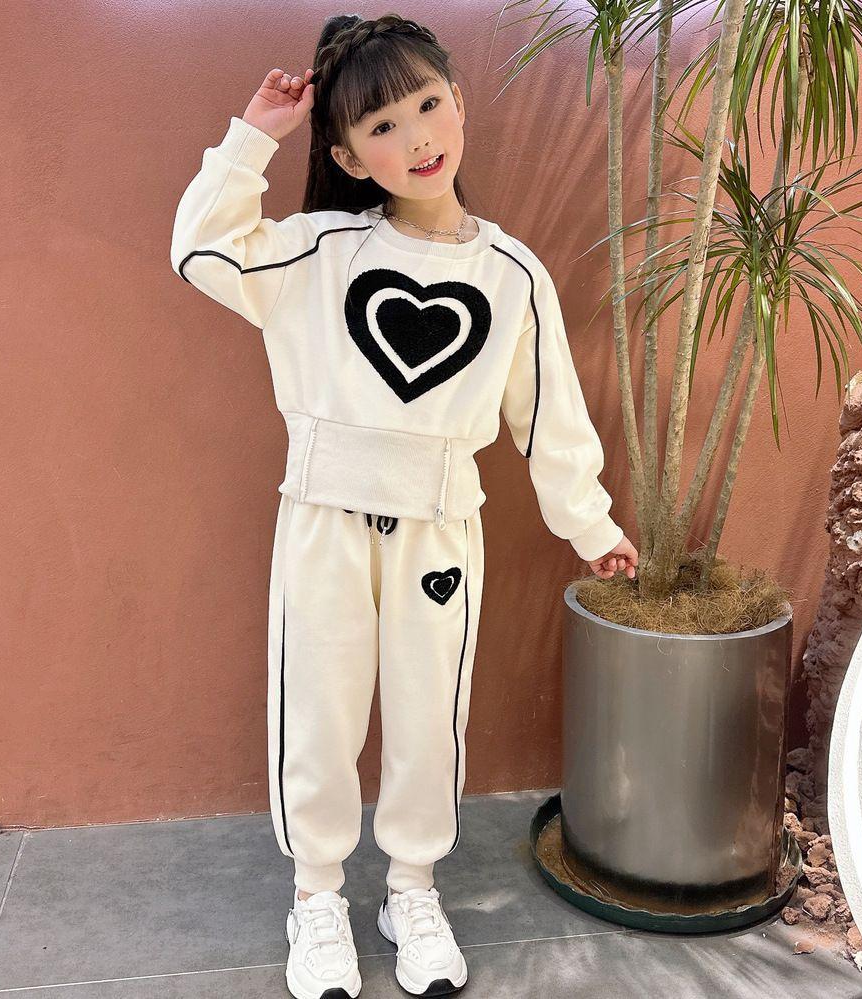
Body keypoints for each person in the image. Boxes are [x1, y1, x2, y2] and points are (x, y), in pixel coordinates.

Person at [170, 13, 639, 999]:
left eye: (428, 105)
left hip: (439, 530)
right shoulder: (316, 250)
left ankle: (411, 890)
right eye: (382, 126)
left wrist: (590, 527)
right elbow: (201, 250)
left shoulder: (510, 274)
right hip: (324, 521)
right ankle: (316, 896)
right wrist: (255, 134)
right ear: (347, 154)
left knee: (432, 717)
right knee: (318, 713)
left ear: (458, 102)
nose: (418, 138)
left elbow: (549, 415)